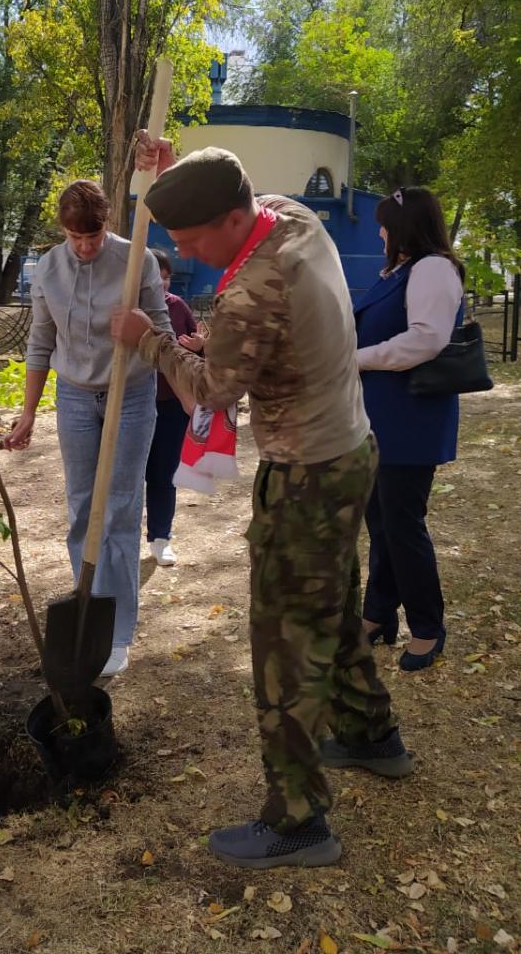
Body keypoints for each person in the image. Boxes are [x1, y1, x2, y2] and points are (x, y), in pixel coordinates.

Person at [112, 140, 413, 870]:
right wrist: (175, 163)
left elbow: (210, 395)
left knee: (285, 644)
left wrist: (150, 341)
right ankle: (371, 735)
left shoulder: (252, 291)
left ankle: (298, 819)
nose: (184, 253)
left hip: (306, 475)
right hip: (350, 450)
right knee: (332, 606)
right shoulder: (292, 217)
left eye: (189, 239)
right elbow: (230, 185)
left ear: (230, 218)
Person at [5, 180, 172, 676]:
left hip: (132, 393)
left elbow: (160, 329)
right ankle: (88, 603)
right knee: (82, 505)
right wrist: (30, 411)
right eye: (75, 237)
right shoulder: (49, 269)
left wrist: (139, 329)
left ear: (107, 224)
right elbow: (40, 343)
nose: (84, 247)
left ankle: (117, 631)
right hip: (75, 395)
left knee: (120, 506)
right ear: (63, 231)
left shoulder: (136, 259)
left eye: (93, 236)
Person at [354, 187, 464, 671]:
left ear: (404, 228)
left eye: (384, 223)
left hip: (411, 418)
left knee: (402, 525)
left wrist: (355, 360)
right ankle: (379, 615)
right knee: (380, 521)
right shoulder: (397, 271)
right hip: (381, 417)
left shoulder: (433, 269)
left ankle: (427, 626)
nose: (378, 232)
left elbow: (426, 340)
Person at [144, 248, 203, 566]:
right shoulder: (128, 308)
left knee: (163, 475)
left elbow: (197, 353)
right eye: (156, 278)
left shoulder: (177, 307)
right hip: (131, 405)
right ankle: (121, 539)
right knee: (127, 478)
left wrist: (200, 347)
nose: (163, 284)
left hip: (169, 407)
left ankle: (160, 538)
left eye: (166, 278)